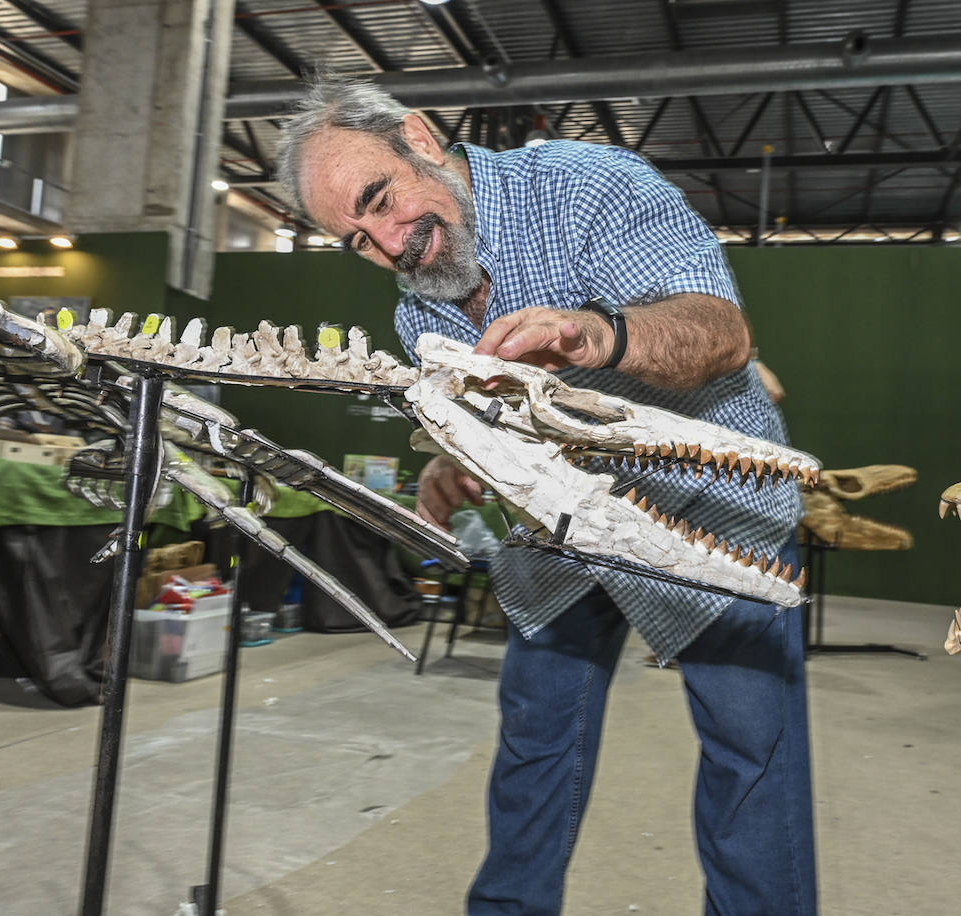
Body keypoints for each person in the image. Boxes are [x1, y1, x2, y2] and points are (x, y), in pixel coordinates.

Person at [276, 76, 815, 916]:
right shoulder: (417, 319)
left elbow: (721, 333)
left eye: (379, 200)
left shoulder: (586, 185)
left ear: (419, 138)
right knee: (534, 747)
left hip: (711, 515)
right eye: (356, 240)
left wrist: (595, 333)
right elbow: (492, 438)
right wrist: (453, 464)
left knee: (753, 763)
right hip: (558, 537)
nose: (387, 246)